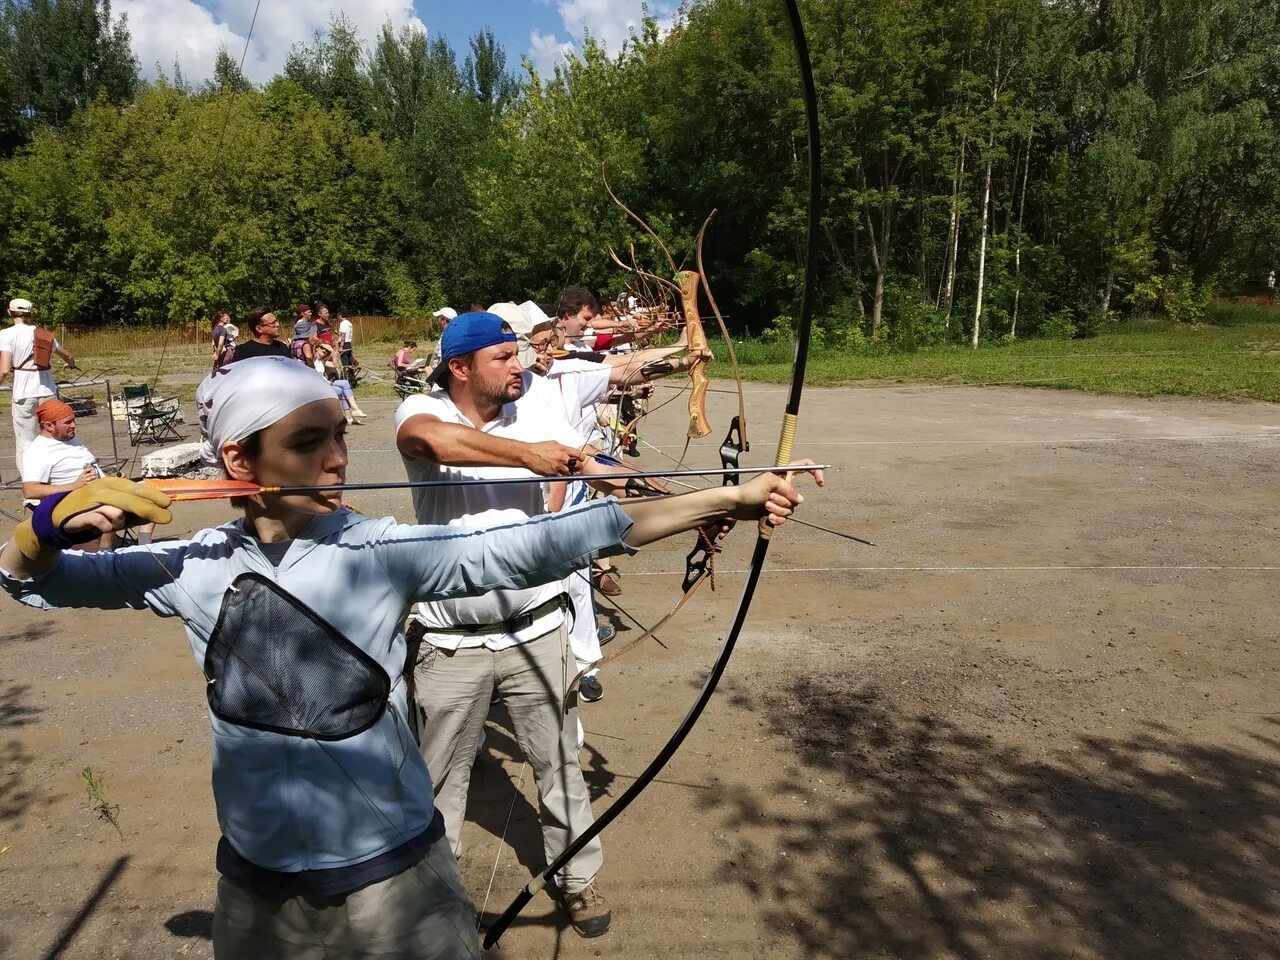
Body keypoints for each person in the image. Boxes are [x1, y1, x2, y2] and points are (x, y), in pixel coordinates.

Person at [0, 355, 816, 959]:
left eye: (338, 439)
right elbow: (34, 586)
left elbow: (544, 543)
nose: (335, 458)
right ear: (240, 462)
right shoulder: (195, 566)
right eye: (307, 441)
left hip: (393, 872)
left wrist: (728, 498)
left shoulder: (379, 551)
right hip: (257, 881)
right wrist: (40, 532)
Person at [21, 398, 153, 549]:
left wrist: (113, 479)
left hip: (97, 489)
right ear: (49, 426)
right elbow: (30, 490)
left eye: (73, 421)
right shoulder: (38, 451)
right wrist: (74, 486)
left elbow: (91, 469)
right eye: (68, 422)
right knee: (114, 509)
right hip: (70, 500)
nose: (73, 426)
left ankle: (145, 545)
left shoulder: (70, 439)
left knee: (150, 494)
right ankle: (105, 551)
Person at [0, 297, 77, 466]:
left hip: (23, 394)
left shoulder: (5, 335)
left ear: (9, 313)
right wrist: (71, 364)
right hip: (47, 392)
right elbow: (68, 355)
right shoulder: (44, 334)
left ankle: (31, 486)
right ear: (30, 314)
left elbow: (4, 369)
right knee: (55, 437)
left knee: (24, 443)